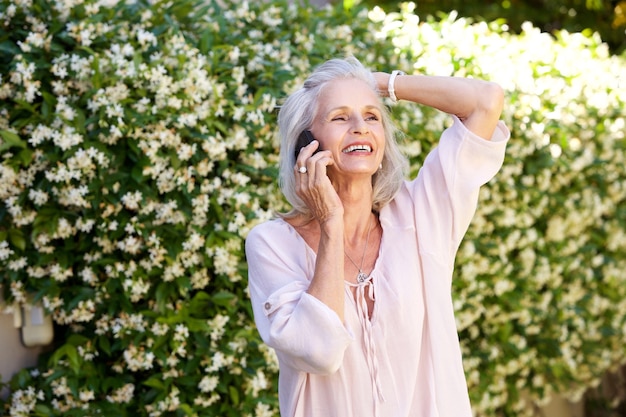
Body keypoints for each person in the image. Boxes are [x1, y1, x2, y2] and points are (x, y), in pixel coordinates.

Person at [245, 56, 510, 417]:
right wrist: (331, 222)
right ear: (306, 144)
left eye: (371, 116)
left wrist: (378, 83)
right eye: (340, 117)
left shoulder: (422, 213)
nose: (360, 127)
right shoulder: (271, 245)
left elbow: (485, 100)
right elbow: (319, 351)